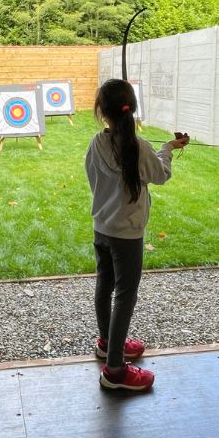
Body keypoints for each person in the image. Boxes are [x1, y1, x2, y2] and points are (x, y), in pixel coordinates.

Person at [85, 79, 189, 391]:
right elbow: (161, 174)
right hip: (126, 235)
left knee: (105, 286)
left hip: (102, 228)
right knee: (125, 296)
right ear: (132, 108)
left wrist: (164, 148)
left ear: (102, 112)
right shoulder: (138, 147)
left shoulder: (97, 143)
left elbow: (95, 179)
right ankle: (114, 370)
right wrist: (167, 150)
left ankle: (107, 344)